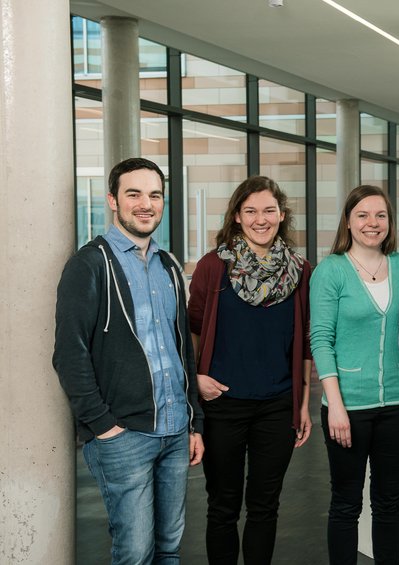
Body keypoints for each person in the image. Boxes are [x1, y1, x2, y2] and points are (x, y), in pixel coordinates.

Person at [53, 157, 204, 564]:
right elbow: (69, 354)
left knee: (169, 548)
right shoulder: (89, 265)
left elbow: (182, 351)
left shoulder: (168, 266)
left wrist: (195, 423)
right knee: (135, 553)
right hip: (124, 436)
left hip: (176, 430)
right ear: (112, 200)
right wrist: (103, 427)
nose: (145, 204)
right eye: (133, 194)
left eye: (155, 195)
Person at [187, 176, 312, 565]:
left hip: (277, 406)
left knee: (265, 506)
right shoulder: (213, 267)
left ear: (282, 215)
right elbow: (192, 330)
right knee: (222, 506)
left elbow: (305, 343)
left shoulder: (300, 270)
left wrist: (303, 404)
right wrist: (194, 380)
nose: (261, 219)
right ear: (237, 217)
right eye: (251, 211)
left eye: (269, 210)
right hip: (222, 403)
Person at [310, 185, 399, 565]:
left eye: (380, 215)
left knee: (389, 502)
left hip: (398, 402)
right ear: (348, 222)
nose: (373, 223)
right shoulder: (331, 270)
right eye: (363, 215)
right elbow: (321, 340)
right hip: (348, 406)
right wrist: (335, 406)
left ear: (390, 221)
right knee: (346, 502)